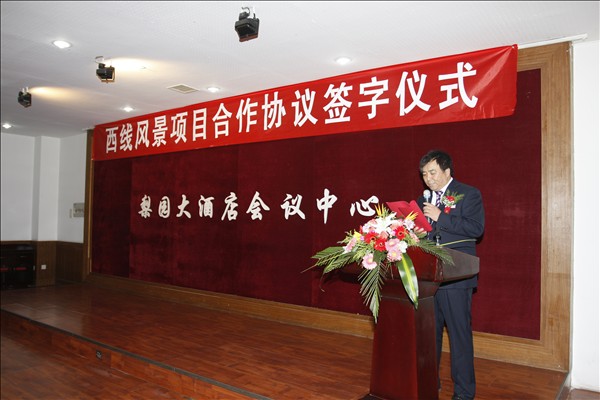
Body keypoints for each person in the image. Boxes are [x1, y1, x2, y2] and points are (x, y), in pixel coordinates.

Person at [417, 149, 485, 400]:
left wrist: (440, 217)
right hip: (428, 277)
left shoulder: (469, 194)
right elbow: (425, 233)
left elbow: (476, 228)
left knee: (459, 336)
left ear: (447, 171)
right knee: (429, 336)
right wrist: (414, 232)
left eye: (433, 172)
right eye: (424, 174)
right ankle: (429, 383)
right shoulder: (422, 200)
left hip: (456, 276)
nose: (428, 178)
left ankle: (464, 393)